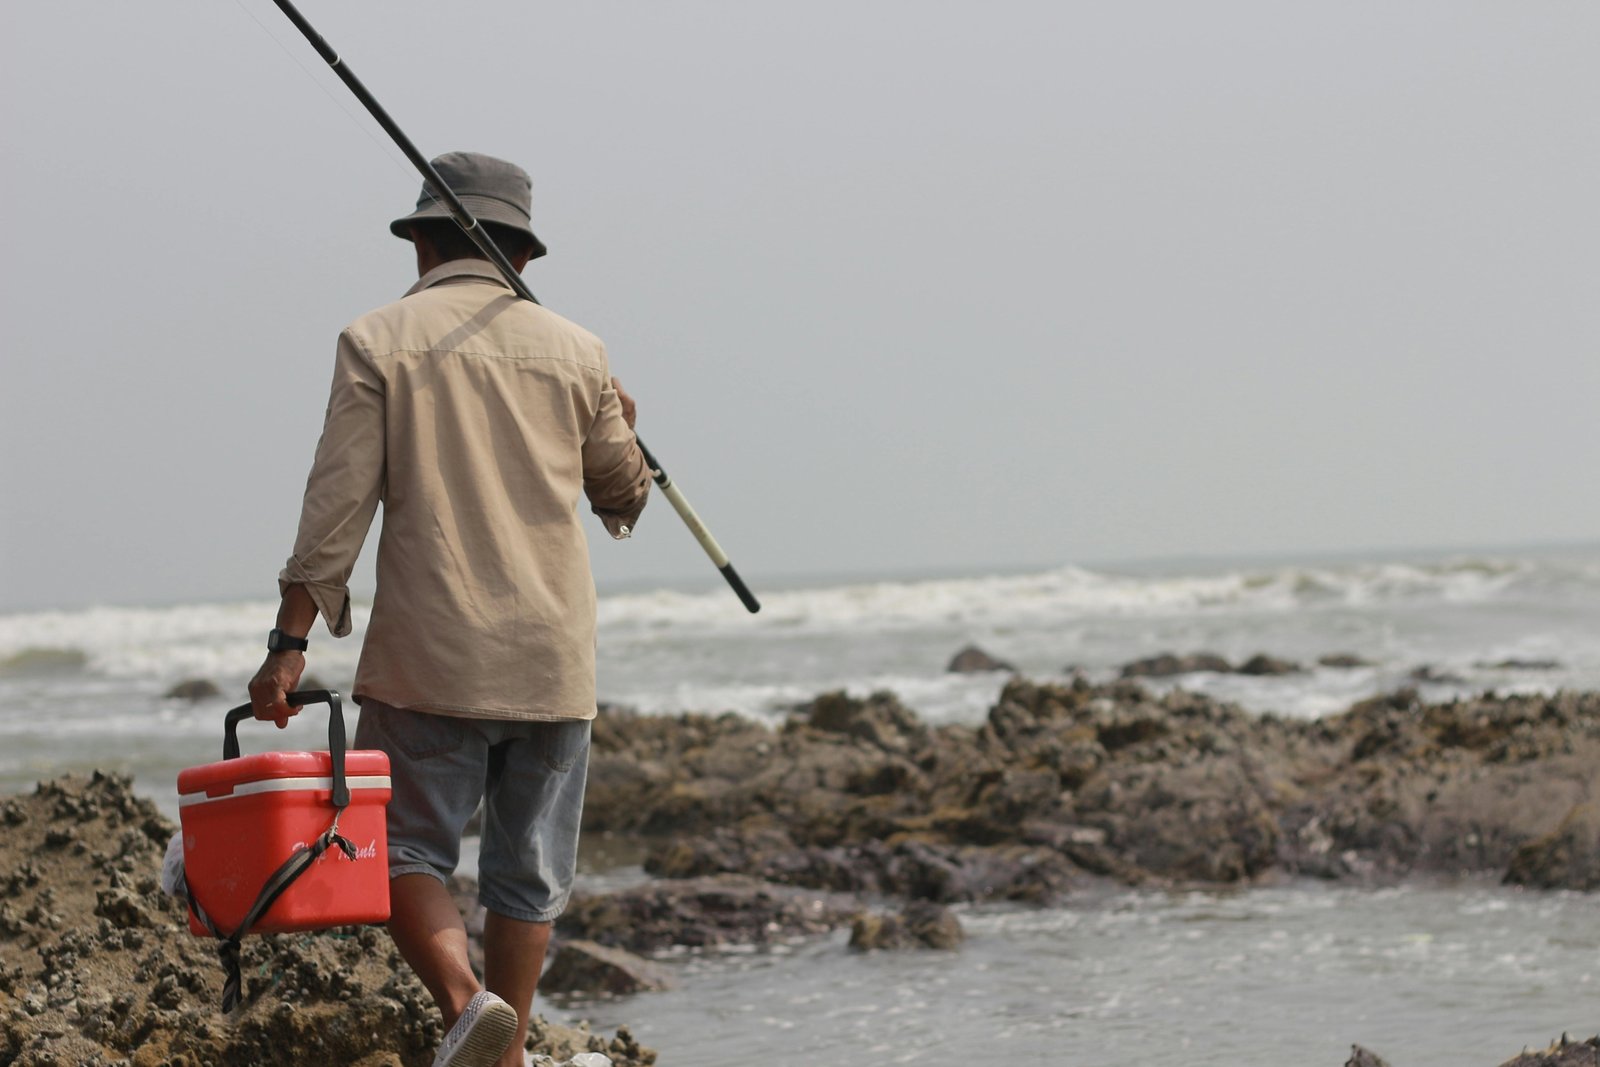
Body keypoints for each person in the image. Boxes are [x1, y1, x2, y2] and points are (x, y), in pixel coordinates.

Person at [247, 151, 650, 1067]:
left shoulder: (376, 338)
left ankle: (469, 1008)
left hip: (432, 657)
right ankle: (503, 1055)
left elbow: (335, 509)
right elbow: (622, 496)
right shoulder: (578, 349)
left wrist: (287, 645)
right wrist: (622, 414)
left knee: (395, 851)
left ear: (425, 239)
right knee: (530, 874)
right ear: (521, 253)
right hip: (554, 661)